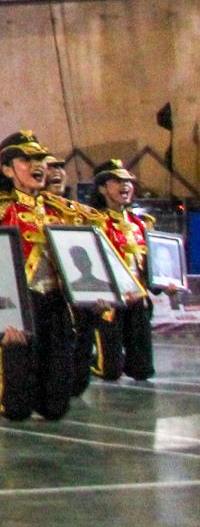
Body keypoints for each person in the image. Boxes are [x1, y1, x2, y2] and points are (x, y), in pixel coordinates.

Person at [0, 132, 90, 421]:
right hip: (17, 306)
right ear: (8, 169)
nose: (38, 165)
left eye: (41, 159)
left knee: (54, 408)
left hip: (56, 305)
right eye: (26, 159)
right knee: (16, 409)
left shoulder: (63, 211)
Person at [90, 158, 156, 382]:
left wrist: (164, 284)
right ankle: (82, 359)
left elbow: (148, 265)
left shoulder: (140, 224)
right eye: (117, 181)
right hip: (110, 303)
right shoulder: (95, 223)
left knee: (142, 370)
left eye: (128, 181)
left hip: (137, 300)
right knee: (110, 372)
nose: (125, 186)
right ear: (102, 188)